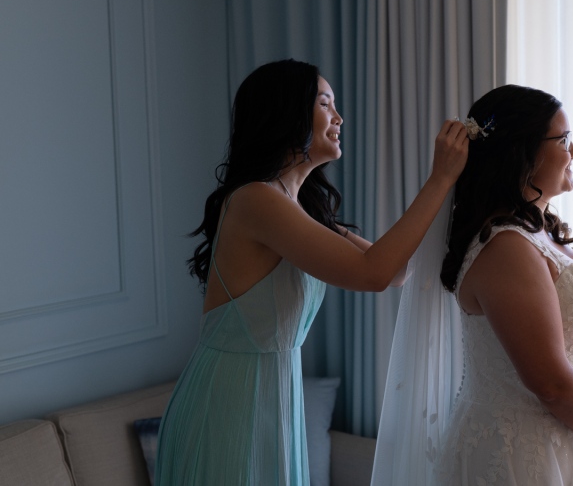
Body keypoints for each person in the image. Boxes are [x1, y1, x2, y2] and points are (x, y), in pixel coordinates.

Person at [154, 59, 468, 486]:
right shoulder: (256, 201)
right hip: (228, 401)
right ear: (287, 113)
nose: (339, 118)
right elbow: (373, 274)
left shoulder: (295, 208)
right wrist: (439, 178)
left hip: (273, 398)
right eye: (325, 103)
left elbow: (396, 272)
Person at [371, 85, 573, 485]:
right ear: (524, 153)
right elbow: (550, 382)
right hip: (528, 456)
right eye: (564, 140)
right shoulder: (505, 248)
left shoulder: (538, 235)